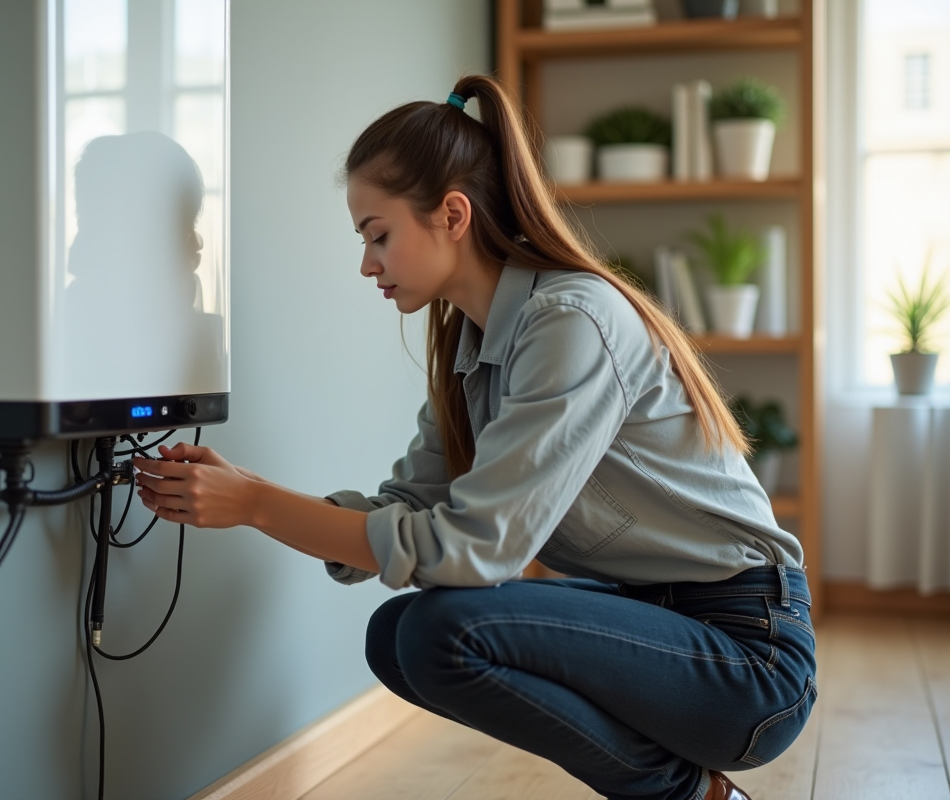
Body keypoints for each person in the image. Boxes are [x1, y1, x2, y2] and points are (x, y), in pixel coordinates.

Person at [131, 75, 815, 800]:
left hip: (749, 659)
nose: (367, 263)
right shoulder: (473, 348)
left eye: (378, 235)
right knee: (396, 637)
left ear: (451, 214)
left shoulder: (570, 321)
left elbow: (474, 551)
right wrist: (245, 492)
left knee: (440, 630)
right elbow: (410, 504)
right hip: (652, 624)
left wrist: (258, 504)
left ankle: (691, 798)